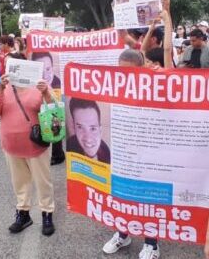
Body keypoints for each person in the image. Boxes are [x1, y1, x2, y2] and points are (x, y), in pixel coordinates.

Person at [0, 55, 56, 236]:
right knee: (20, 183)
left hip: (36, 146)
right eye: (8, 65)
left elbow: (55, 111)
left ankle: (47, 213)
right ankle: (23, 214)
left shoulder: (39, 86)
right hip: (11, 146)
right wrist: (0, 88)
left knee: (43, 182)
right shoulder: (4, 88)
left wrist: (46, 93)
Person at [104, 48, 160, 259]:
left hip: (148, 153)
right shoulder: (113, 87)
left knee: (149, 199)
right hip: (123, 153)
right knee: (122, 195)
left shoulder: (155, 86)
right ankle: (122, 234)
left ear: (142, 69)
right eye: (121, 71)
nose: (124, 76)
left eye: (130, 71)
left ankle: (151, 243)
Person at [66, 98, 110, 163]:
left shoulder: (106, 152)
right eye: (80, 127)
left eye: (93, 128)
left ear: (100, 130)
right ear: (74, 127)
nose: (88, 139)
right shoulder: (70, 146)